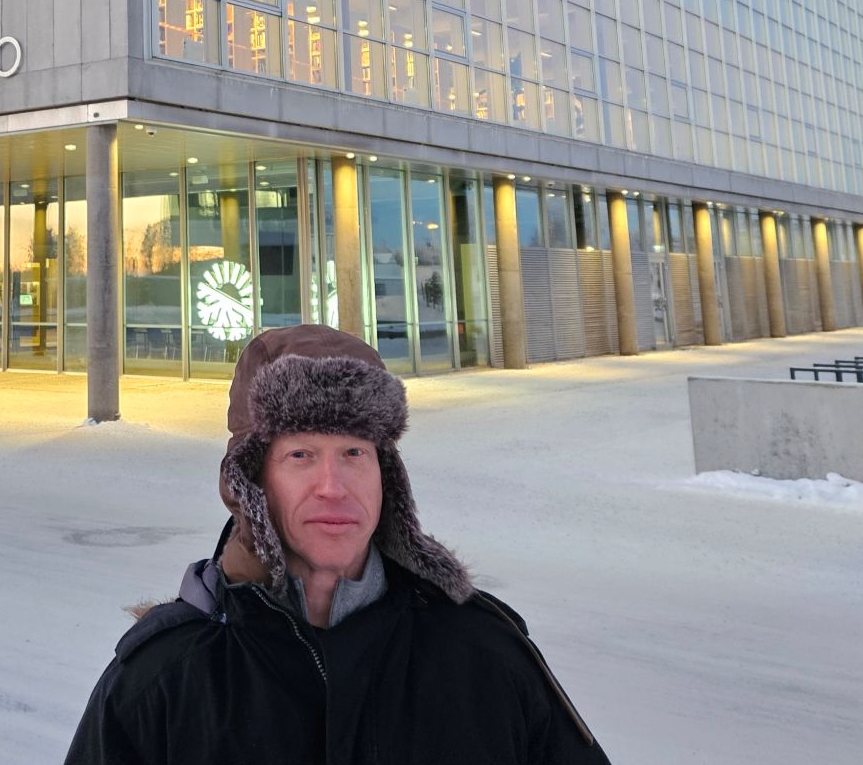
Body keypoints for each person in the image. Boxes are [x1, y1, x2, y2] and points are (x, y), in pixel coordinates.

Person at [65, 324, 611, 763]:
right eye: (300, 455)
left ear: (385, 475)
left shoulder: (483, 650)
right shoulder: (164, 676)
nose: (333, 486)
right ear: (250, 483)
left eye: (354, 453)